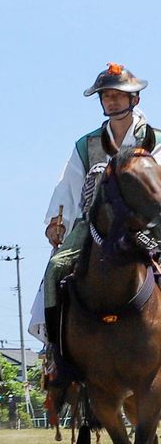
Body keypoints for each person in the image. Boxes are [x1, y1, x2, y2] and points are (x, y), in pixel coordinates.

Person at [29, 63, 161, 345]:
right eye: (106, 96)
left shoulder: (155, 140)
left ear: (134, 99)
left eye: (118, 95)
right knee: (55, 270)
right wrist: (57, 222)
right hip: (95, 225)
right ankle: (56, 356)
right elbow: (68, 186)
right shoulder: (86, 145)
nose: (111, 101)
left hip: (146, 224)